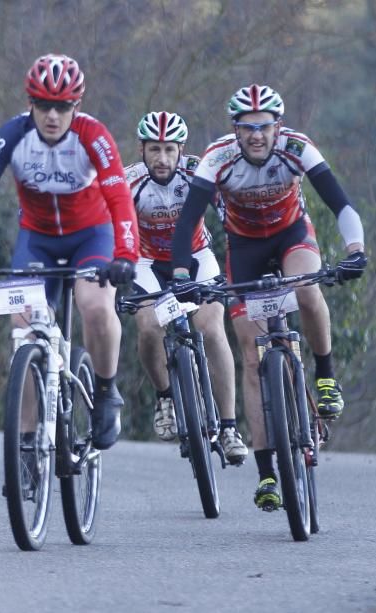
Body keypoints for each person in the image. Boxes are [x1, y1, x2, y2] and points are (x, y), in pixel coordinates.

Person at [170, 84, 367, 510]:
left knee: (306, 287)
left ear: (278, 127)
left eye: (264, 127)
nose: (256, 135)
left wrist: (355, 250)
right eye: (247, 128)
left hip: (292, 235)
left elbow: (340, 203)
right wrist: (183, 272)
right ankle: (266, 474)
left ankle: (326, 376)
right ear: (235, 130)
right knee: (252, 355)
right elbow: (187, 222)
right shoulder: (217, 158)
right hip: (244, 248)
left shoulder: (297, 148)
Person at [0, 54, 138, 450]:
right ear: (30, 103)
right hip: (38, 240)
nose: (52, 115)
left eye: (62, 107)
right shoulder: (12, 134)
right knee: (23, 329)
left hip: (91, 236)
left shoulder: (93, 134)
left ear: (75, 107)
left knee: (95, 305)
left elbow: (118, 196)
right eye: (43, 105)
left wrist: (126, 254)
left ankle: (106, 390)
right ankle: (27, 440)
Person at [125, 111, 248, 464]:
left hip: (196, 257)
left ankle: (227, 427)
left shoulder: (197, 173)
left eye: (169, 149)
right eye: (154, 150)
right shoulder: (130, 181)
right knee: (148, 327)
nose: (162, 159)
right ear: (142, 150)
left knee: (211, 328)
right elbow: (112, 226)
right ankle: (165, 397)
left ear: (181, 149)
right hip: (148, 264)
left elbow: (229, 211)